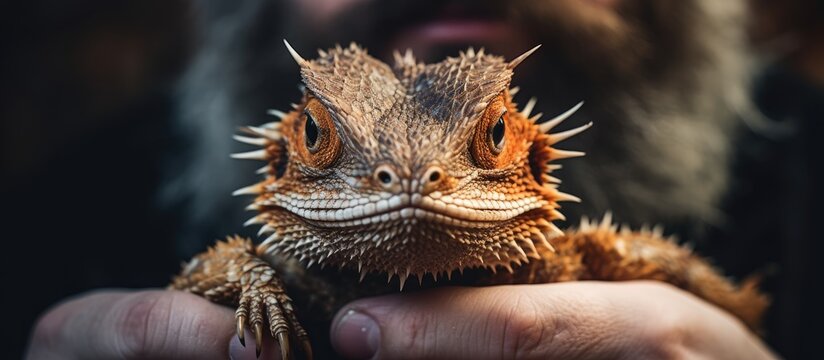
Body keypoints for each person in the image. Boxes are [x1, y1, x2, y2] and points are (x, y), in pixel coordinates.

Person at [25, 0, 800, 358]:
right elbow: (227, 266)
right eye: (334, 141)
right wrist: (248, 295)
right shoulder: (56, 218)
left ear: (532, 155)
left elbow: (657, 263)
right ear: (280, 160)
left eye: (486, 140)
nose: (413, 175)